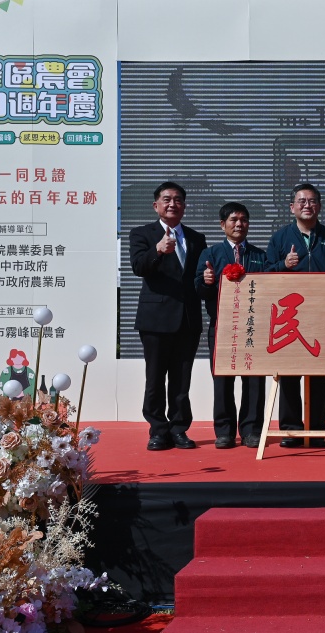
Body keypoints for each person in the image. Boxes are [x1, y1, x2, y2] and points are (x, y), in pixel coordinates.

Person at [266, 183, 325, 448]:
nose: (307, 205)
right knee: (289, 374)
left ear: (319, 206)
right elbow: (266, 273)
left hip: (322, 314)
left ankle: (316, 428)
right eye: (301, 201)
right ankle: (291, 430)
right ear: (292, 207)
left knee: (321, 374)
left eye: (312, 201)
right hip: (290, 316)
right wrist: (283, 265)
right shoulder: (280, 237)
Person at [129, 181, 207, 451]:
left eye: (178, 200)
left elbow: (197, 277)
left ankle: (179, 429)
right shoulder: (142, 234)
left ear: (184, 206)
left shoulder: (196, 238)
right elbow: (138, 267)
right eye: (167, 199)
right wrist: (157, 250)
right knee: (155, 379)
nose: (172, 204)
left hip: (188, 318)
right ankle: (158, 430)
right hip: (155, 319)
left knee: (181, 380)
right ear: (156, 205)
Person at [195, 202, 268, 449]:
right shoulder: (210, 254)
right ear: (222, 224)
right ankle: (224, 431)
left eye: (244, 220)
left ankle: (252, 430)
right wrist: (206, 282)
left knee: (254, 381)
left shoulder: (259, 255)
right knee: (222, 380)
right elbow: (198, 290)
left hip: (253, 326)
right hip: (222, 326)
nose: (239, 224)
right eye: (234, 219)